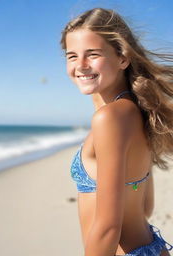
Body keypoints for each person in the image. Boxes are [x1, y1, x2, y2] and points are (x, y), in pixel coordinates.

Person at [60, 7, 173, 256]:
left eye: (92, 54)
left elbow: (109, 228)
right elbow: (144, 206)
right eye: (72, 56)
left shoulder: (109, 118)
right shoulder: (137, 111)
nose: (81, 65)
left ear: (123, 57)